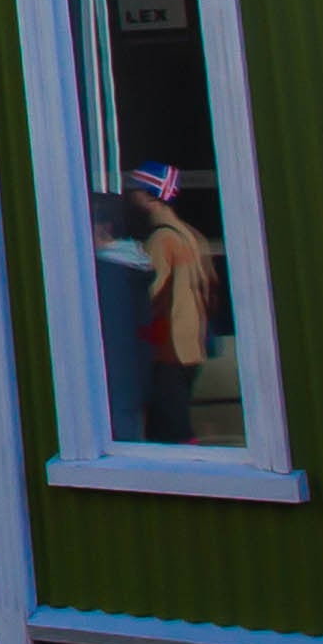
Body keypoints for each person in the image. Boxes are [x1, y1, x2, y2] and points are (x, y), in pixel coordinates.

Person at [124, 162, 223, 445]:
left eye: (135, 192)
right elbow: (211, 288)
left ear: (149, 195)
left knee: (171, 429)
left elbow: (150, 292)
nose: (130, 198)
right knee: (174, 420)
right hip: (193, 344)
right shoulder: (194, 236)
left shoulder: (161, 240)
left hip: (168, 347)